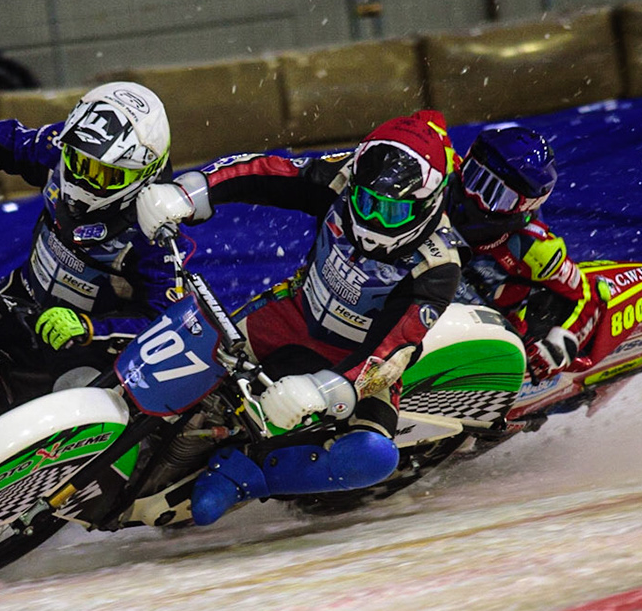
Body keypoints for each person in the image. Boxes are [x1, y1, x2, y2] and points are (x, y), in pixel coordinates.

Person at [133, 114, 463, 520]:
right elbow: (266, 171)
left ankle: (247, 476)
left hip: (357, 360)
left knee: (372, 456)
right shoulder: (343, 177)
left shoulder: (438, 265)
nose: (374, 221)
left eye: (392, 214)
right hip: (293, 312)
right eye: (366, 203)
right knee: (198, 344)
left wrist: (326, 390)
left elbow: (393, 350)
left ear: (427, 206)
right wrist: (190, 191)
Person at [0, 81, 184, 395]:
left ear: (145, 172)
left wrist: (92, 329)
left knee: (82, 405)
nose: (85, 178)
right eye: (80, 162)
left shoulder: (157, 226)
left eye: (104, 175)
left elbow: (167, 319)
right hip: (21, 295)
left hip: (85, 343)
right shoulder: (60, 146)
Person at [442, 125, 598, 383]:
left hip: (484, 343)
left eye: (493, 194)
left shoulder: (533, 247)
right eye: (473, 176)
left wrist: (557, 349)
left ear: (522, 207)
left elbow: (586, 296)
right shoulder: (441, 173)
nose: (472, 196)